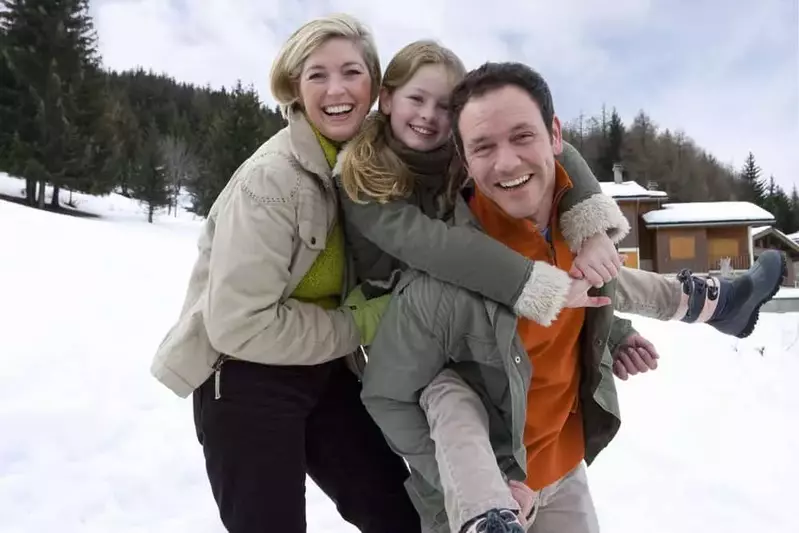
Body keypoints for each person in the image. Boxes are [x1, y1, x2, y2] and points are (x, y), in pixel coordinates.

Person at [359, 61, 787, 533]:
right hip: (483, 488)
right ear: (463, 157)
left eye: (523, 137)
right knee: (448, 394)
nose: (506, 162)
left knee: (598, 276)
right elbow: (387, 396)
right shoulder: (441, 277)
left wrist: (614, 332)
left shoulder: (576, 227)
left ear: (555, 135)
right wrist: (463, 484)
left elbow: (581, 302)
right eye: (484, 146)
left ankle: (713, 303)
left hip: (563, 469)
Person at [149, 14, 423, 533]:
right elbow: (238, 323)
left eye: (351, 72)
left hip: (323, 369)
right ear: (294, 87)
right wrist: (360, 323)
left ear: (374, 86)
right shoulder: (271, 180)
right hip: (244, 376)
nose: (336, 89)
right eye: (317, 74)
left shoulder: (358, 163)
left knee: (399, 513)